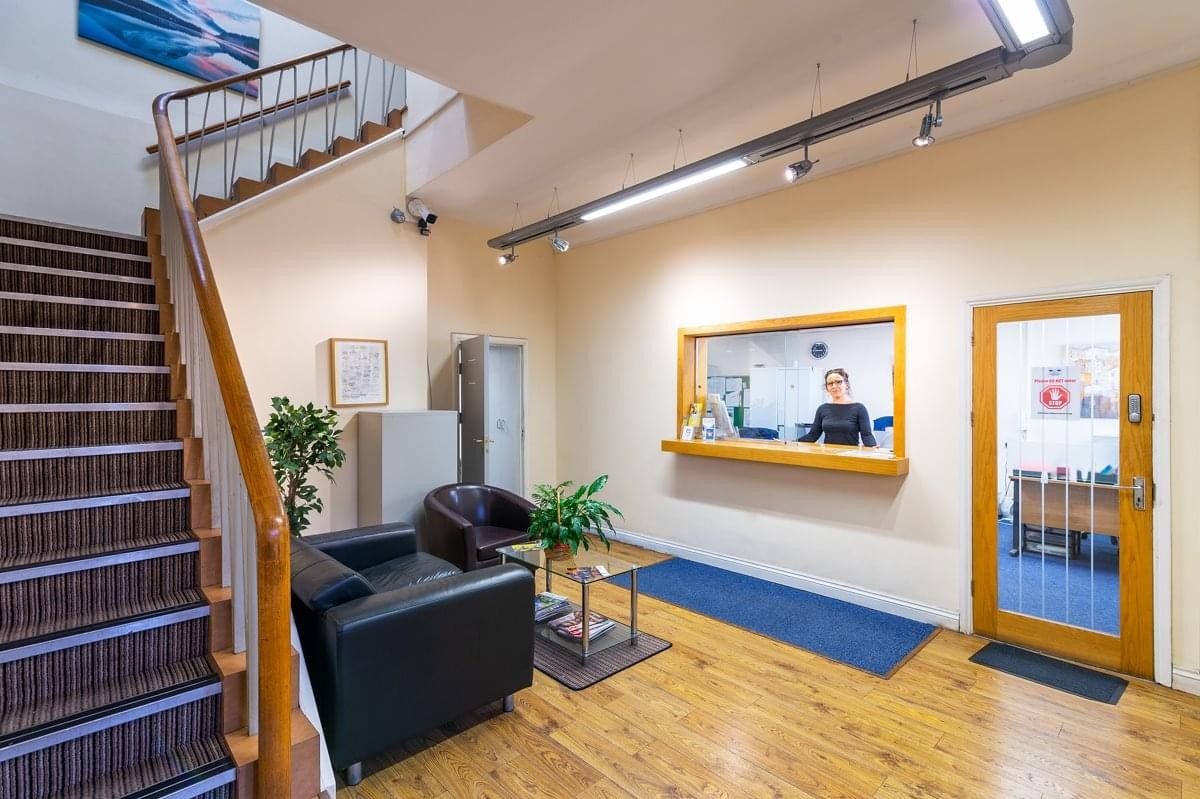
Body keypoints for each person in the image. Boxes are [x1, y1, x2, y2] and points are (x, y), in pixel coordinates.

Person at [798, 368, 878, 447]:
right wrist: (792, 443)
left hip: (850, 456)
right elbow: (812, 435)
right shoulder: (822, 409)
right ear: (827, 388)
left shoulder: (859, 408)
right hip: (828, 454)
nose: (834, 386)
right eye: (830, 383)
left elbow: (867, 435)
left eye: (838, 382)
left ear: (846, 384)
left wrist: (873, 448)